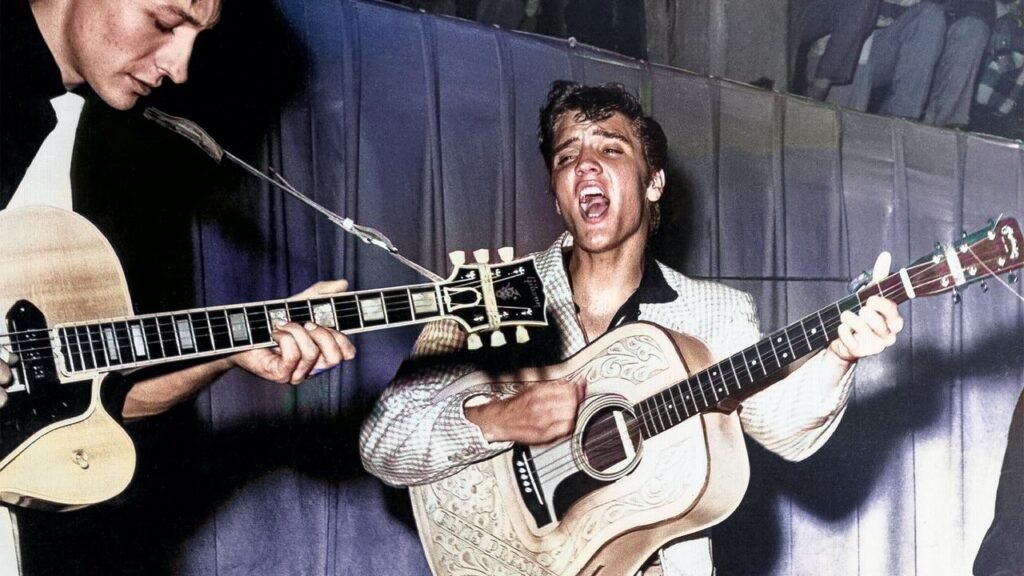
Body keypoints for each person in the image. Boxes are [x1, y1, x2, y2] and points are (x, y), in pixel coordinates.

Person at [359, 81, 905, 575]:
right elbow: (384, 442)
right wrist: (494, 419)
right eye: (567, 156)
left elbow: (785, 430)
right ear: (556, 193)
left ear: (654, 183)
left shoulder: (713, 314)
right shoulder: (486, 295)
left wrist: (840, 355)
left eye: (611, 150)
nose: (585, 166)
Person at [0, 0, 355, 572]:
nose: (180, 67)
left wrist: (232, 351)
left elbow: (99, 400)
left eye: (196, 38)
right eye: (164, 22)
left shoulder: (93, 134)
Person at [795, 0, 993, 127]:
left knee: (969, 28)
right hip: (845, 47)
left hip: (903, 40)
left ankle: (929, 127)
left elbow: (977, 8)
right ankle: (895, 123)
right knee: (928, 14)